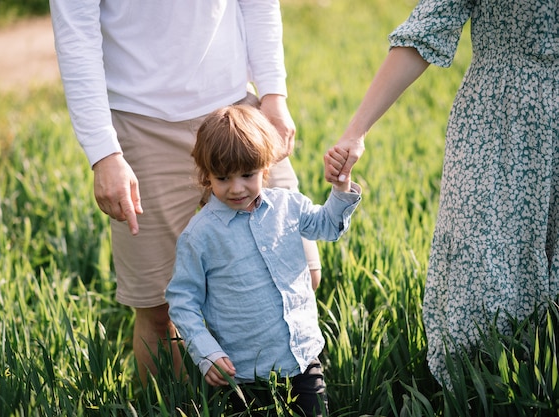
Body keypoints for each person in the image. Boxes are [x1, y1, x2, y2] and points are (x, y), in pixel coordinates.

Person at [49, 0, 323, 385]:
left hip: (236, 114)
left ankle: (271, 390)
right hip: (142, 123)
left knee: (305, 271)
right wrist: (104, 153)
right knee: (157, 308)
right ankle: (185, 405)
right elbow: (75, 34)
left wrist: (274, 93)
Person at [326, 0, 558, 386]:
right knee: (483, 267)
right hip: (495, 117)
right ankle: (479, 392)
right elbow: (425, 28)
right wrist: (356, 131)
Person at [165, 104, 362, 416]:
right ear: (206, 176)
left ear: (265, 167)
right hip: (243, 372)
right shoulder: (199, 235)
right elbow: (182, 301)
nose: (237, 188)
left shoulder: (288, 206)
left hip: (302, 359)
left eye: (247, 174)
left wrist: (340, 188)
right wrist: (206, 353)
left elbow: (327, 226)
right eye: (223, 177)